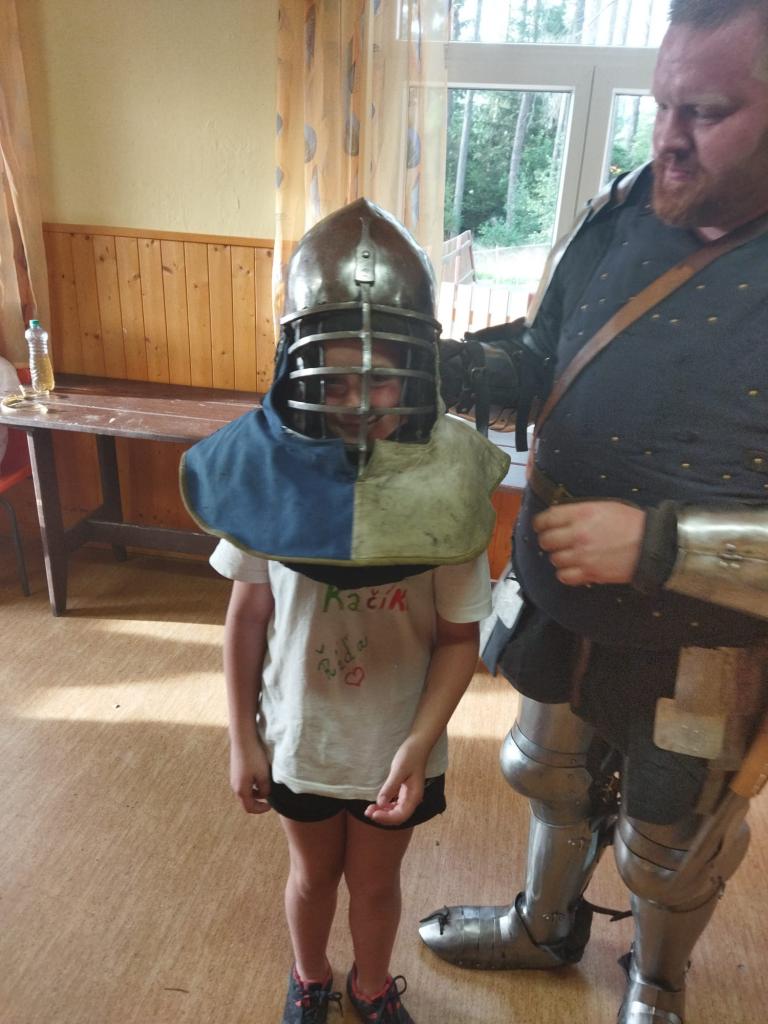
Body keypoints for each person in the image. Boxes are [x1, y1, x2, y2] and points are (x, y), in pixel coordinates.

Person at [419, 3, 768, 1022]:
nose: (669, 137)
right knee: (550, 773)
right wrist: (441, 368)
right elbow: (545, 357)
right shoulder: (617, 213)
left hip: (706, 636)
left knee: (669, 839)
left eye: (706, 112)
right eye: (662, 104)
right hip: (562, 595)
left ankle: (657, 984)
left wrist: (659, 545)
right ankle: (544, 923)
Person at [180, 199, 509, 1023]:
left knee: (375, 884)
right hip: (302, 740)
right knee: (311, 877)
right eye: (335, 376)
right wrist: (243, 736)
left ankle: (369, 985)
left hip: (396, 745)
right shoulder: (267, 482)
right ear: (298, 364)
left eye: (380, 375)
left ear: (417, 369)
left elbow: (459, 639)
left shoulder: (449, 492)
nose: (359, 401)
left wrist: (418, 745)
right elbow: (246, 619)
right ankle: (310, 978)